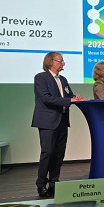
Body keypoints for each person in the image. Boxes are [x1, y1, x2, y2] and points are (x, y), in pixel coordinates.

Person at [31, 52, 85, 197]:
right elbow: (47, 99)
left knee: (59, 154)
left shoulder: (63, 79)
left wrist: (76, 98)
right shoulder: (41, 77)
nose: (63, 63)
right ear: (50, 62)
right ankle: (41, 184)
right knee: (47, 153)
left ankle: (54, 183)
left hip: (62, 120)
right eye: (60, 61)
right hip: (47, 121)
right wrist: (70, 100)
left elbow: (68, 96)